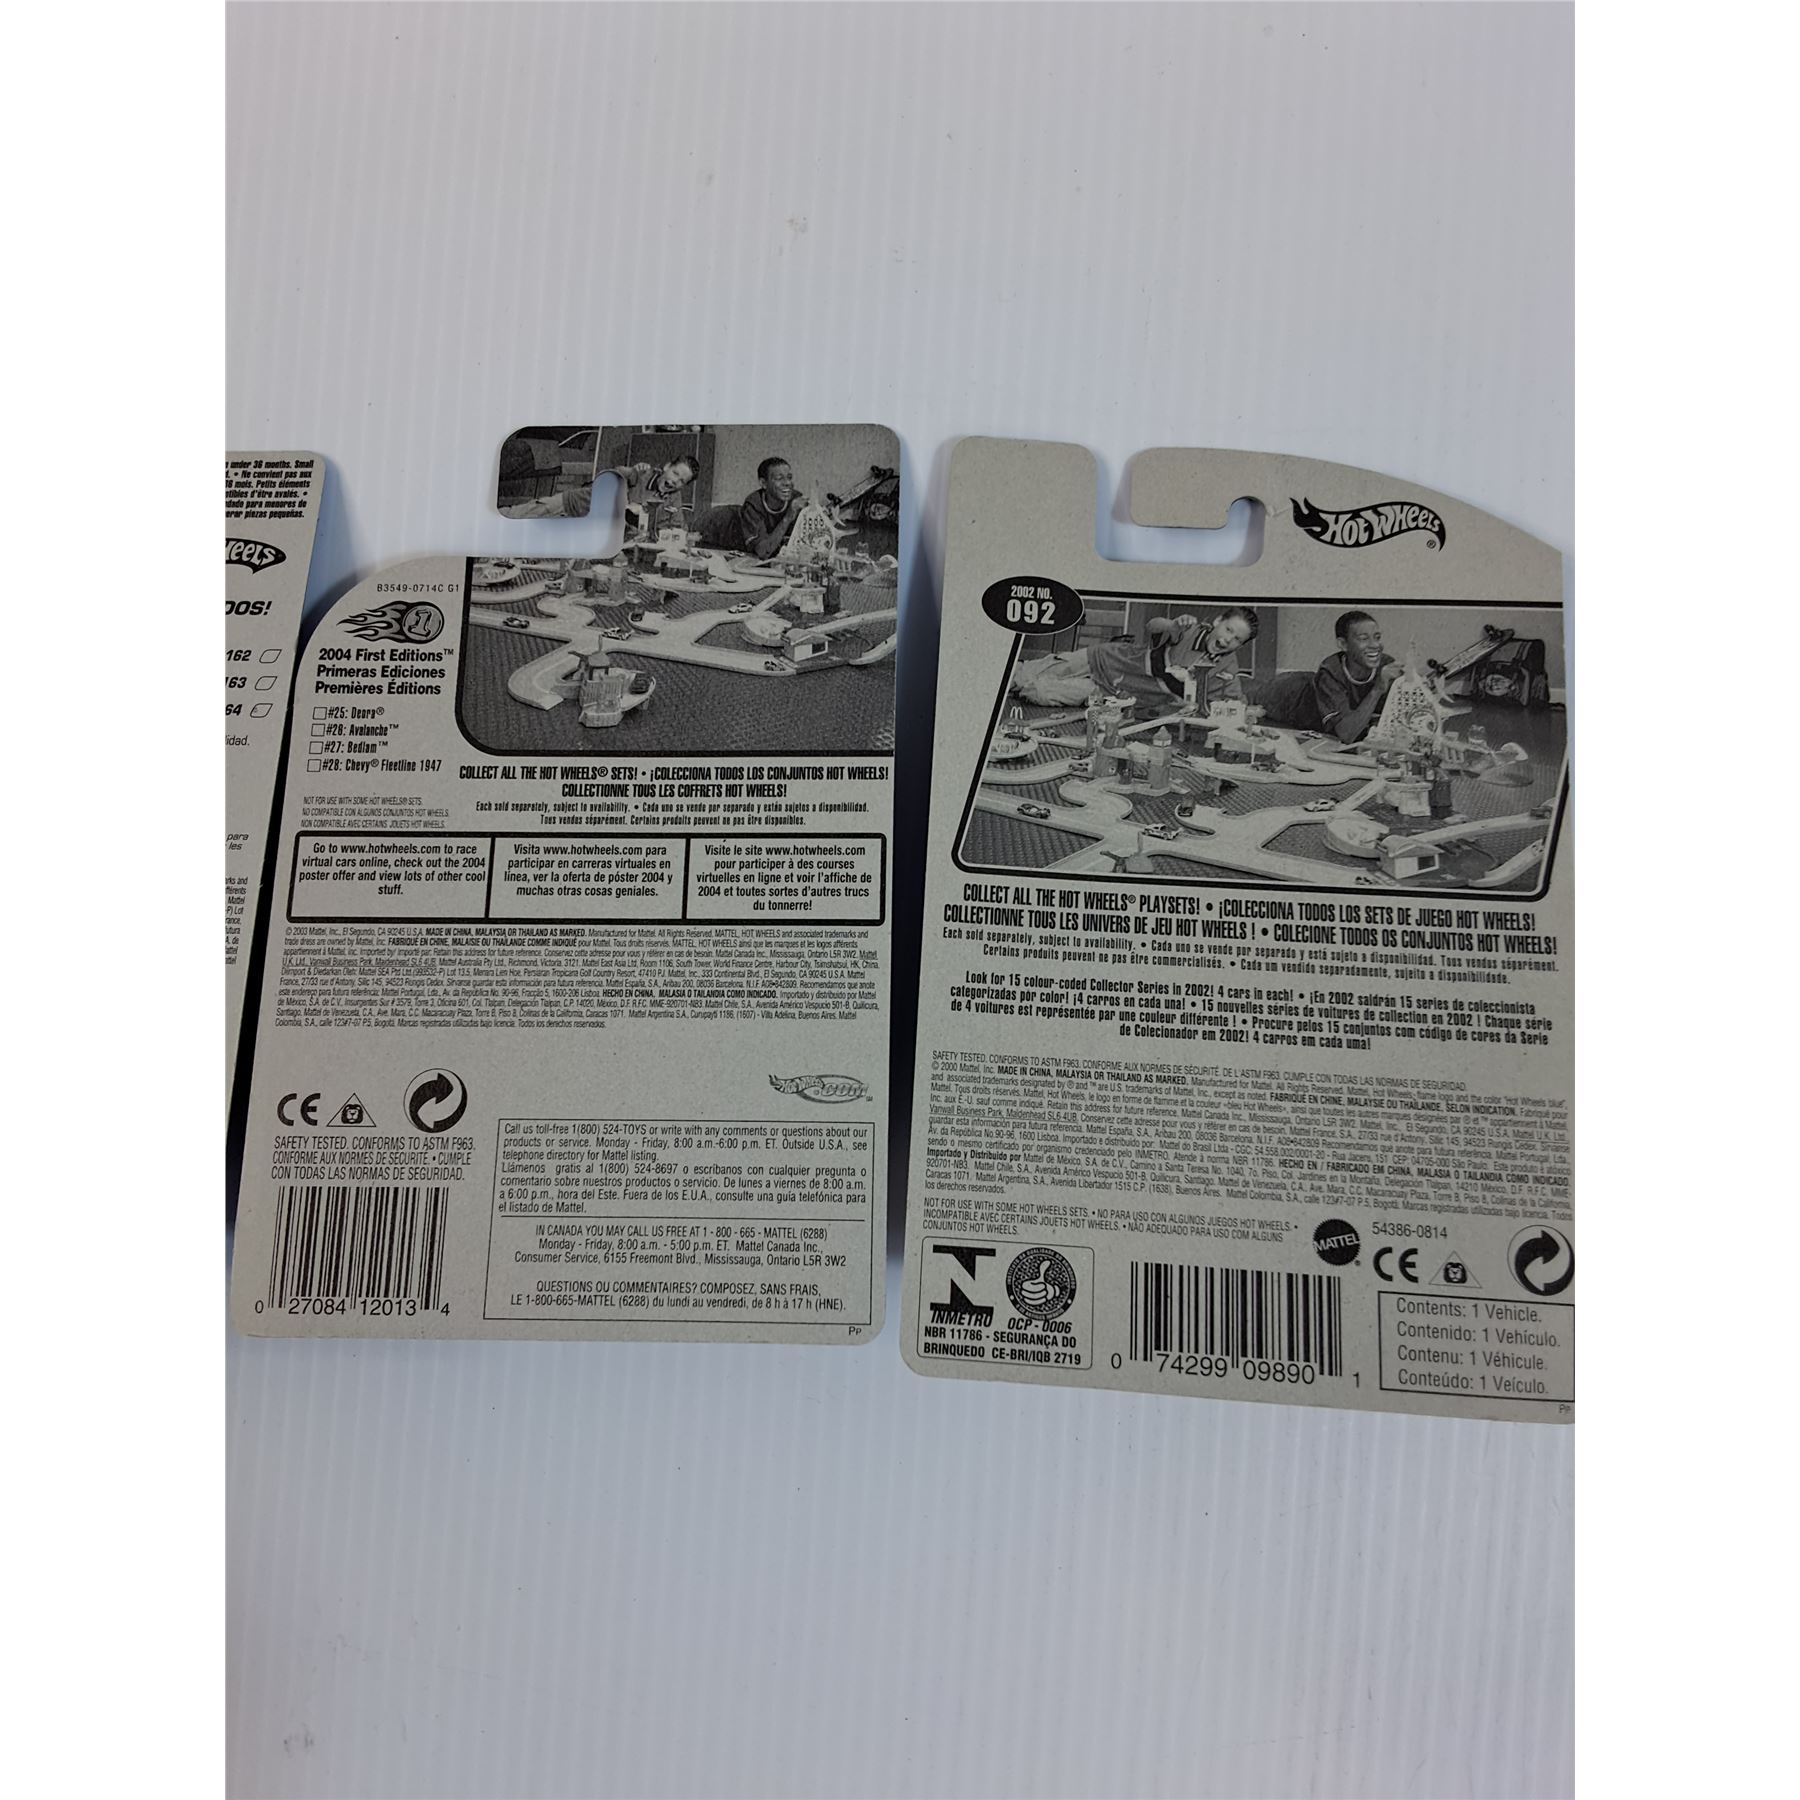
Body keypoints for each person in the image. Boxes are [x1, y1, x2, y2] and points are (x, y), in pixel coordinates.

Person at [1011, 606, 1259, 711]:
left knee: (1039, 691)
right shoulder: (1189, 629)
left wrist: (1250, 711)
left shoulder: (1227, 669)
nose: (1228, 639)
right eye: (1228, 629)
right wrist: (1171, 625)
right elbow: (1152, 626)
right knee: (1019, 674)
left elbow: (1236, 702)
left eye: (1237, 639)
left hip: (1112, 693)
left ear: (1241, 645)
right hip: (1105, 659)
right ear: (1217, 621)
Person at [1313, 610, 1400, 743]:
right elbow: (1347, 734)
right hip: (1292, 698)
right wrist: (1378, 689)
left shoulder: (1386, 665)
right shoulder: (1330, 672)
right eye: (1364, 639)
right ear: (1343, 644)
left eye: (1377, 637)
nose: (1375, 645)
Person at [695, 456, 804, 557]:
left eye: (789, 477)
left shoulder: (796, 500)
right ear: (763, 483)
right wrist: (788, 517)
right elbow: (763, 551)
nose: (787, 483)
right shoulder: (753, 505)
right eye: (779, 478)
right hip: (715, 532)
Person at [614, 455, 699, 541]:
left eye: (682, 481)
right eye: (675, 473)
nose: (675, 481)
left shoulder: (675, 497)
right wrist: (626, 505)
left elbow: (677, 527)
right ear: (667, 467)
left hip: (641, 543)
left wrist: (684, 535)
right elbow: (614, 475)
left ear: (683, 486)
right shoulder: (643, 474)